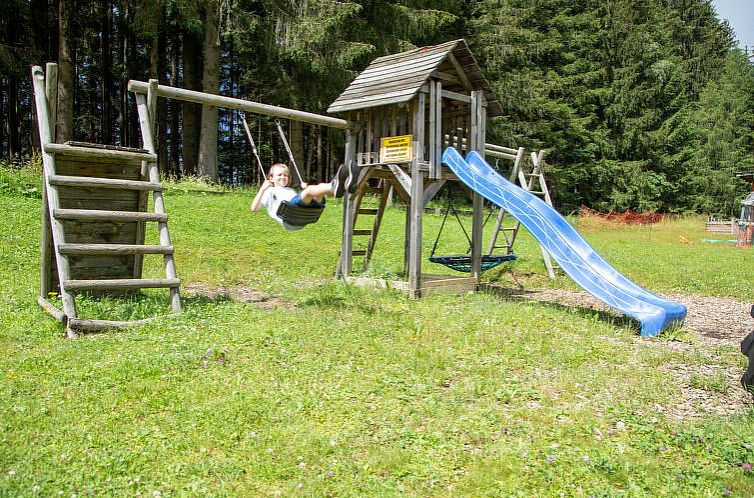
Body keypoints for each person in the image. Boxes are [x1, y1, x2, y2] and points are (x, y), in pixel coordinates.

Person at [251, 161, 359, 231]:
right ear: (271, 178)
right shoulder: (270, 191)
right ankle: (334, 185)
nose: (283, 177)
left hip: (303, 215)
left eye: (285, 175)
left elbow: (301, 201)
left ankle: (342, 187)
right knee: (310, 190)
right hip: (289, 217)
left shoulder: (290, 190)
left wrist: (303, 190)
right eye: (279, 175)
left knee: (318, 189)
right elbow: (254, 208)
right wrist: (262, 189)